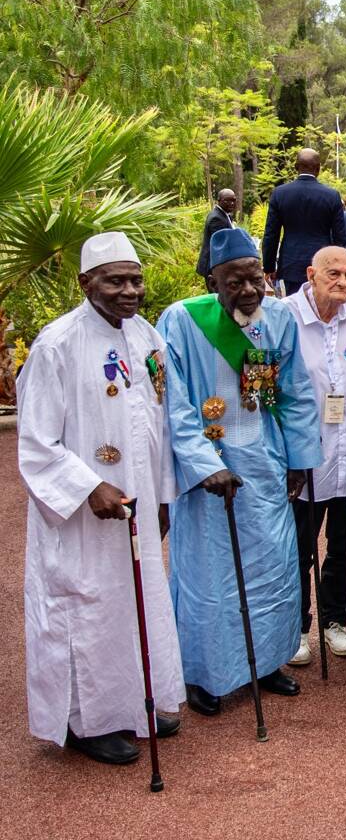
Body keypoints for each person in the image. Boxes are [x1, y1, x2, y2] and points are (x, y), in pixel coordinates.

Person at [18, 233, 184, 765]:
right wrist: (89, 486)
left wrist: (162, 494)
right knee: (85, 607)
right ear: (85, 283)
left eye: (135, 279)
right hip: (82, 517)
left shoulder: (146, 338)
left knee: (136, 602)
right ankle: (85, 722)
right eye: (115, 281)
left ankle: (137, 702)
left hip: (137, 504)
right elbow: (37, 442)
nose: (129, 290)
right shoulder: (56, 344)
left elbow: (156, 422)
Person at [158, 228, 321, 715]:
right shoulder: (183, 321)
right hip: (207, 470)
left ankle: (266, 662)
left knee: (273, 567)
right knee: (211, 574)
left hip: (265, 462)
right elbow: (175, 404)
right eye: (235, 283)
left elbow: (293, 390)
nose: (248, 291)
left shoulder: (278, 317)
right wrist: (204, 465)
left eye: (256, 279)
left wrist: (298, 458)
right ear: (214, 279)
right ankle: (203, 674)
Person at [282, 247, 346, 666]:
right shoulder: (283, 315)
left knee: (342, 541)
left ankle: (336, 620)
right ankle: (296, 627)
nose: (343, 281)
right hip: (304, 453)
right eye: (333, 273)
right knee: (299, 546)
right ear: (310, 273)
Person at [261, 148, 346, 297]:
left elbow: (271, 234)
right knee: (322, 307)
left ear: (296, 168)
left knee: (294, 308)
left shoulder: (280, 194)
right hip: (323, 263)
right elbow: (340, 237)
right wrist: (342, 266)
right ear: (318, 169)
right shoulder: (332, 196)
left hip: (291, 261)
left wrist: (269, 266)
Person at [196, 188, 238, 277]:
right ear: (218, 201)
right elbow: (223, 244)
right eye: (227, 200)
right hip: (213, 268)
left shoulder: (225, 215)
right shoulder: (216, 219)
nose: (231, 203)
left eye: (233, 200)